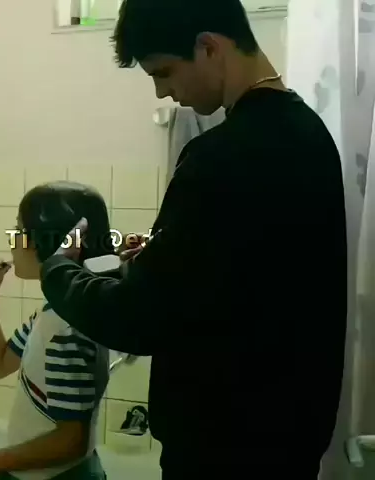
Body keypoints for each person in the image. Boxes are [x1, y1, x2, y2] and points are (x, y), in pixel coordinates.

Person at [38, 0, 348, 478]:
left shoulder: (220, 156)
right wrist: (161, 258)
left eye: (164, 72)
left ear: (209, 48)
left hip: (219, 451)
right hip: (289, 443)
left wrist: (58, 269)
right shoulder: (311, 135)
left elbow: (137, 319)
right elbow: (240, 283)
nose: (163, 91)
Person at [0, 181, 112, 480]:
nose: (12, 240)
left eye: (19, 230)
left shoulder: (66, 326)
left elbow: (70, 440)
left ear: (47, 241)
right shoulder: (56, 313)